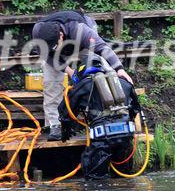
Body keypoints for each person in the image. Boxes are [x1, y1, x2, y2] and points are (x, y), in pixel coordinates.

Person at [32, 10, 133, 141]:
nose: (55, 49)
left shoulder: (80, 30)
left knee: (100, 68)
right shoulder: (38, 32)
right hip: (56, 56)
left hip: (82, 44)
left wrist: (119, 69)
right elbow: (48, 56)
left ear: (61, 35)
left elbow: (103, 48)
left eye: (55, 45)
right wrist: (69, 71)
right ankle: (55, 125)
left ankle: (108, 115)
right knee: (51, 83)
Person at [58, 54, 141, 179]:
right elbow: (135, 109)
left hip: (102, 140)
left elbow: (65, 112)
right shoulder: (123, 82)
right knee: (125, 179)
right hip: (125, 136)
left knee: (96, 182)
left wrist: (65, 132)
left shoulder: (83, 86)